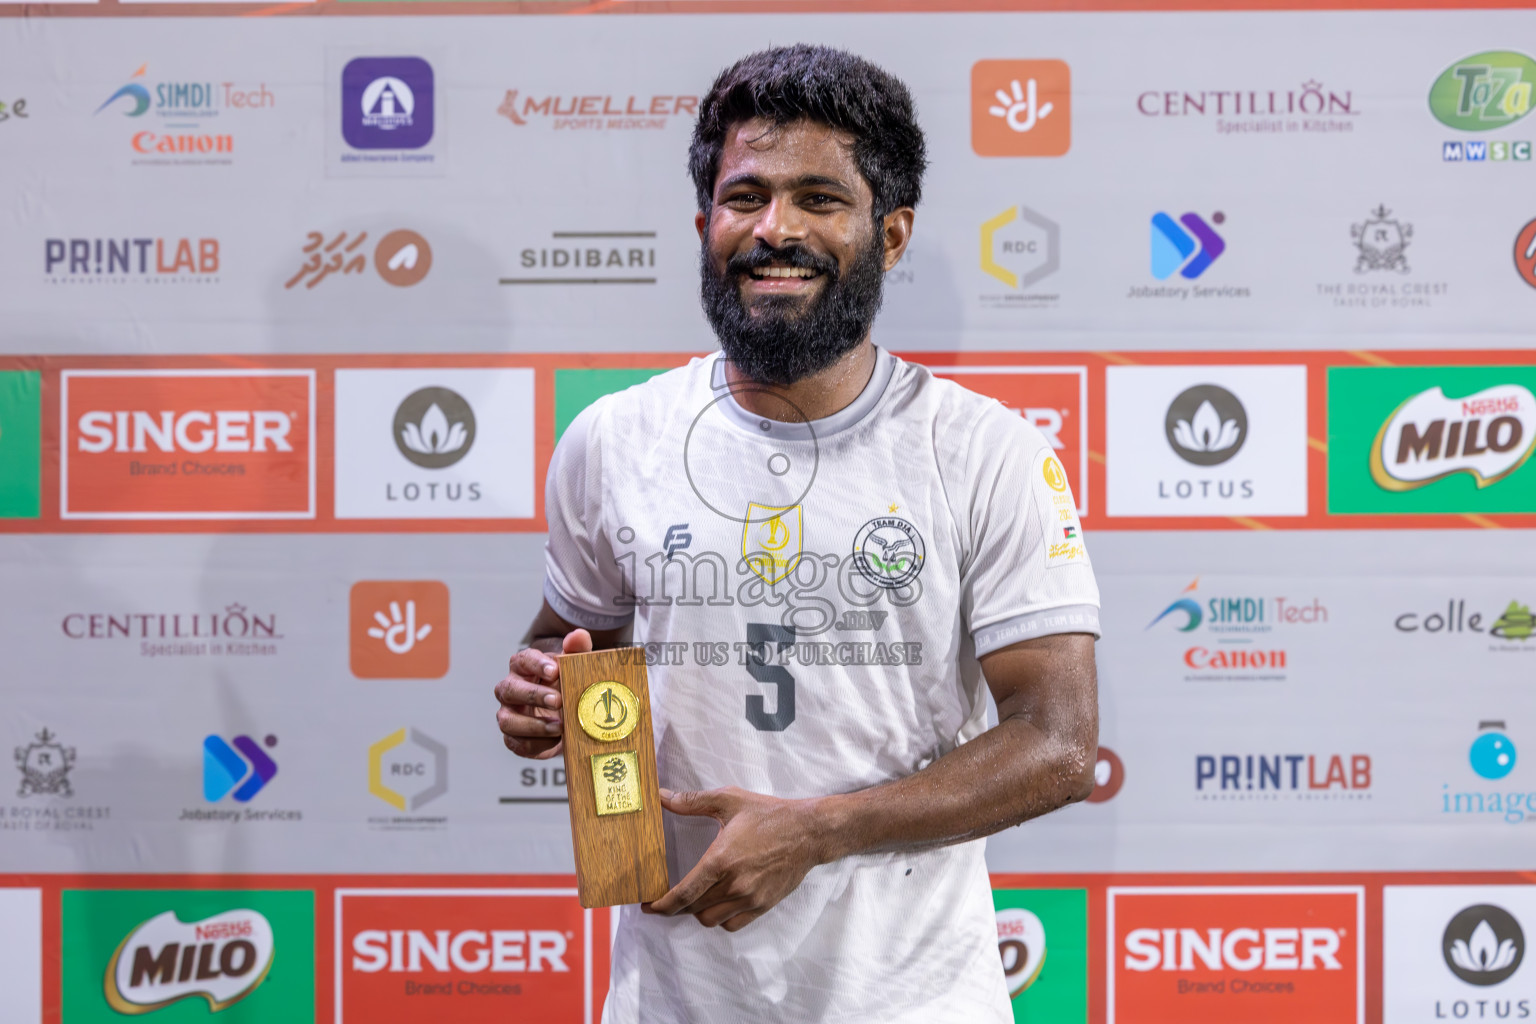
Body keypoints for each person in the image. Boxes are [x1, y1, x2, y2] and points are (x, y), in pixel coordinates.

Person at [495, 43, 1100, 1024]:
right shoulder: (612, 439)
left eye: (820, 197)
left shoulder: (987, 451)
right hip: (671, 999)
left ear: (890, 234)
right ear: (705, 223)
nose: (776, 228)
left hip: (913, 1001)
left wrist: (818, 830)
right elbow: (577, 661)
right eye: (747, 196)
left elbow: (1061, 744)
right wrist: (539, 697)